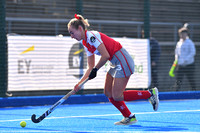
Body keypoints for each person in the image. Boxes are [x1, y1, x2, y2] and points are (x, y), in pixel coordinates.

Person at [68, 14, 159, 125]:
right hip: (114, 63)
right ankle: (129, 117)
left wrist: (96, 69)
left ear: (80, 29)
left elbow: (105, 55)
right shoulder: (85, 43)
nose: (71, 36)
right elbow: (90, 67)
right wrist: (79, 84)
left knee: (117, 95)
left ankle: (150, 94)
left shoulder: (92, 36)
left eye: (72, 32)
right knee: (108, 93)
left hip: (122, 60)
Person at [174, 26, 196, 91]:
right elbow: (176, 53)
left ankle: (194, 93)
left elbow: (193, 53)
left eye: (184, 34)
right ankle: (176, 93)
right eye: (181, 34)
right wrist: (176, 60)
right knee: (178, 80)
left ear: (186, 34)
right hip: (180, 66)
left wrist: (185, 60)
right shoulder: (178, 43)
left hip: (189, 65)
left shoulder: (190, 43)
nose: (182, 35)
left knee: (191, 80)